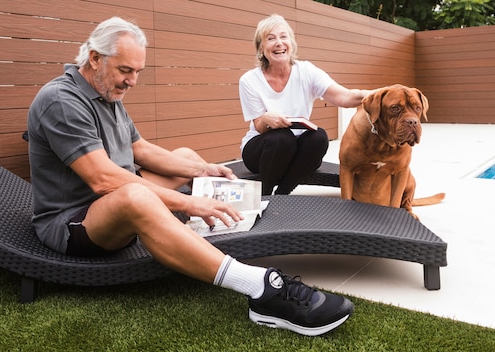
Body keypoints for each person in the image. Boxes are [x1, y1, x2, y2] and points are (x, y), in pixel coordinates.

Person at [27, 16, 353, 336]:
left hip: (111, 200)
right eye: (125, 70)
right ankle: (260, 288)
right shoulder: (62, 100)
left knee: (185, 156)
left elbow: (140, 149)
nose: (132, 81)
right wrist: (189, 201)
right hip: (75, 222)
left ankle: (204, 232)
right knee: (135, 197)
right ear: (95, 59)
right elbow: (103, 180)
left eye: (137, 72)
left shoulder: (107, 95)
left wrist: (202, 170)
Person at [239, 14, 378, 195]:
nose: (279, 43)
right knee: (282, 138)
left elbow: (345, 96)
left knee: (318, 137)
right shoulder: (249, 80)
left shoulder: (306, 71)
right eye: (270, 39)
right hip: (261, 150)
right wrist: (266, 118)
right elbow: (258, 125)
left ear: (291, 43)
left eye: (283, 37)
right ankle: (265, 195)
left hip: (296, 149)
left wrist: (385, 94)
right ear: (261, 48)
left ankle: (282, 193)